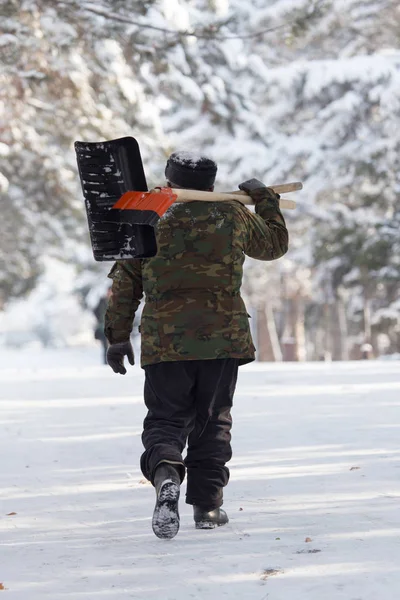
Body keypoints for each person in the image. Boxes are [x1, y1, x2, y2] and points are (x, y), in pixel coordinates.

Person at [104, 151, 289, 539]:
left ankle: (167, 469)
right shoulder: (232, 215)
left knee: (166, 419)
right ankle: (207, 507)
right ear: (210, 185)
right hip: (222, 338)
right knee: (213, 420)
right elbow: (273, 245)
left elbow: (125, 284)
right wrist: (266, 200)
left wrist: (117, 337)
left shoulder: (149, 215)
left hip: (166, 341)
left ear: (168, 181)